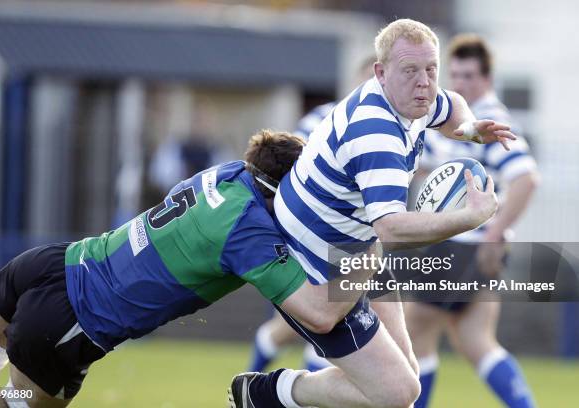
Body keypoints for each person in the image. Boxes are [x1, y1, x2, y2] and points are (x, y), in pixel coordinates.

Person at [0, 130, 379, 407]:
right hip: (70, 321)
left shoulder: (228, 173)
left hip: (50, 263)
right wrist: (374, 249)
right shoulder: (248, 233)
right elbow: (320, 315)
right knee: (1, 402)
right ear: (282, 189)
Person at [229, 18, 515, 408]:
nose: (424, 82)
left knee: (405, 385)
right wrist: (471, 217)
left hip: (356, 251)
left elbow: (450, 108)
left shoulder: (415, 99)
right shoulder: (376, 131)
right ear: (381, 73)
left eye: (431, 69)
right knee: (396, 392)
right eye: (411, 71)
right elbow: (393, 229)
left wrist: (467, 128)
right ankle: (266, 394)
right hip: (314, 265)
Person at [404, 34, 539, 408]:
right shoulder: (457, 122)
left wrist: (494, 236)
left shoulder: (493, 122)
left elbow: (527, 178)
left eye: (468, 76)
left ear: (487, 79)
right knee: (475, 341)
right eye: (456, 75)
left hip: (461, 246)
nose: (459, 83)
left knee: (415, 333)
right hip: (465, 246)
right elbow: (429, 168)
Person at [247, 56, 378, 374]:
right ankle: (256, 379)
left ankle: (262, 383)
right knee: (313, 325)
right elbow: (287, 166)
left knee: (332, 327)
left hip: (357, 241)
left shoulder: (391, 131)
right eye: (364, 85)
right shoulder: (324, 119)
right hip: (314, 235)